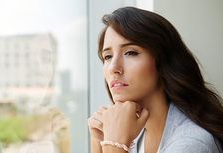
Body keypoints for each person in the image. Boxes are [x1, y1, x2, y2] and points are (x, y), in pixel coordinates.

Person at [88, 7, 223, 153]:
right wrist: (100, 141)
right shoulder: (133, 134)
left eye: (130, 53)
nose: (114, 68)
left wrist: (114, 145)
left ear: (162, 61)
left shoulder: (192, 144)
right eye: (107, 56)